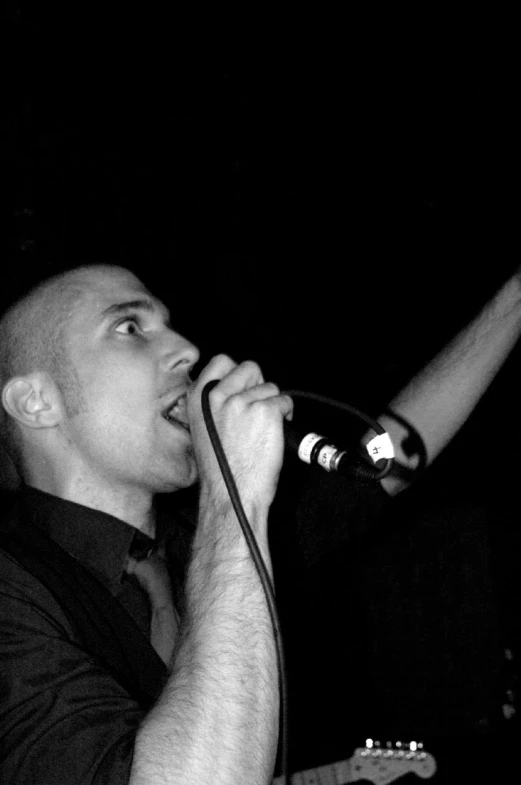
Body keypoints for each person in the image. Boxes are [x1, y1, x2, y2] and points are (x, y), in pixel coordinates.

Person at [1, 262, 520, 784]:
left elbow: (381, 466)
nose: (187, 348)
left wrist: (513, 303)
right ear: (37, 402)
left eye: (167, 323)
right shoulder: (13, 592)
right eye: (129, 328)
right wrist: (234, 497)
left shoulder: (203, 544)